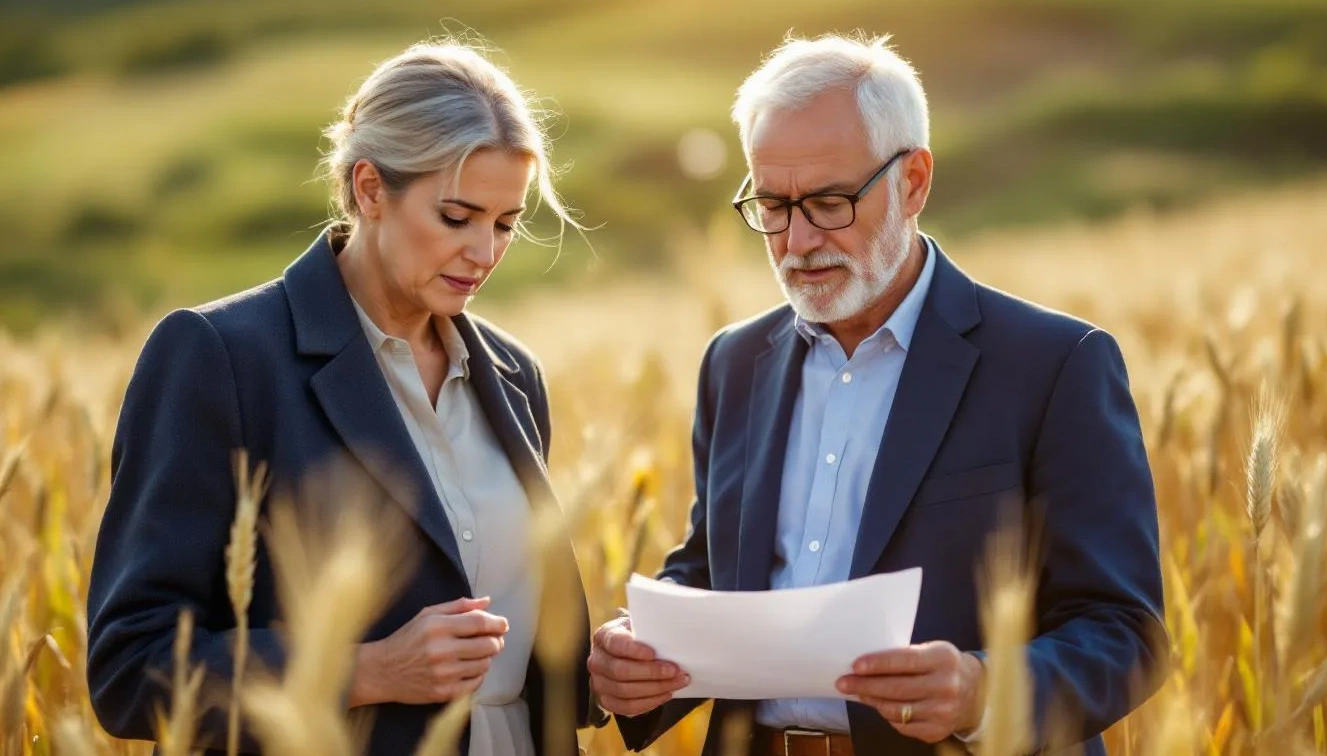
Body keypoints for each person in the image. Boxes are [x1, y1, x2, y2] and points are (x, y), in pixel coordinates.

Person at [587, 33, 1168, 756]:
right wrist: (641, 654)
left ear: (914, 181)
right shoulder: (733, 362)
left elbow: (1125, 629)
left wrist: (982, 691)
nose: (797, 241)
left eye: (829, 202)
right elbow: (718, 570)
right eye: (771, 205)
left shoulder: (1056, 364)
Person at [86, 40, 601, 756]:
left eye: (506, 223)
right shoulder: (220, 356)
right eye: (457, 217)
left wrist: (612, 668)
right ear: (368, 189)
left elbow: (526, 641)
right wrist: (366, 670)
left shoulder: (515, 375)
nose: (485, 253)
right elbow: (130, 666)